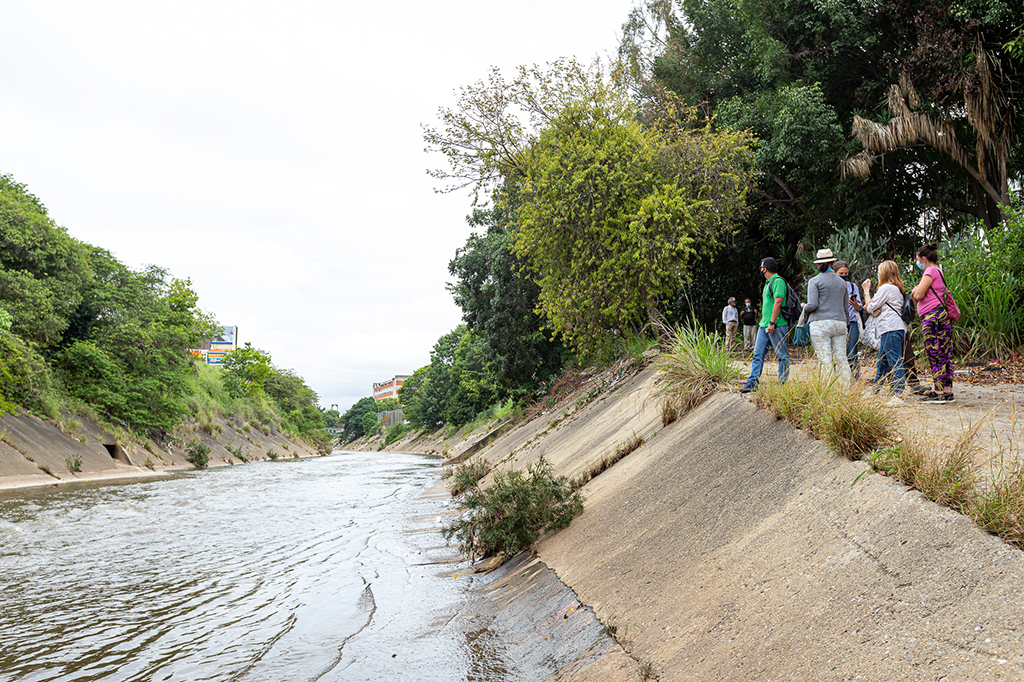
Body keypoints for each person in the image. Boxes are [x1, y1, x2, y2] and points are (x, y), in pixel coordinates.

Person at [909, 243, 955, 403]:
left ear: (924, 258)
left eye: (917, 258)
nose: (917, 261)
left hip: (932, 317)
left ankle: (939, 392)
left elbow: (919, 295)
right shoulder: (939, 271)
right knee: (944, 352)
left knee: (934, 352)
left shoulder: (929, 271)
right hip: (942, 316)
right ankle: (947, 391)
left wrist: (914, 293)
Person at [740, 258, 789, 392]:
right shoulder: (768, 283)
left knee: (781, 355)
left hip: (776, 325)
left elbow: (778, 302)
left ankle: (783, 383)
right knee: (758, 354)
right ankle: (752, 381)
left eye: (761, 267)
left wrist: (772, 322)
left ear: (765, 269)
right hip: (764, 325)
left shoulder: (778, 281)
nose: (761, 270)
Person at [861, 260, 907, 404]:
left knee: (895, 361)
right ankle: (875, 391)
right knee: (882, 362)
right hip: (895, 327)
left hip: (890, 328)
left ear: (884, 273)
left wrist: (866, 291)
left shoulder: (886, 288)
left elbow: (870, 307)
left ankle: (898, 395)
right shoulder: (897, 288)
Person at [803, 249, 851, 383]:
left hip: (820, 324)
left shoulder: (814, 281)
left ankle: (827, 393)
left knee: (825, 361)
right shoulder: (842, 282)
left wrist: (803, 307)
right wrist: (846, 326)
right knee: (841, 360)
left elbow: (812, 305)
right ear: (832, 263)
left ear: (818, 264)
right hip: (840, 323)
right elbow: (845, 308)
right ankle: (846, 392)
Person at [833, 260, 863, 380]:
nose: (844, 275)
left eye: (846, 273)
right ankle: (838, 378)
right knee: (837, 352)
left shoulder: (852, 286)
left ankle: (855, 379)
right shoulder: (832, 287)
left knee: (852, 351)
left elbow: (859, 307)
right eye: (841, 273)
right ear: (834, 273)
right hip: (837, 321)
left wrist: (855, 304)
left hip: (852, 321)